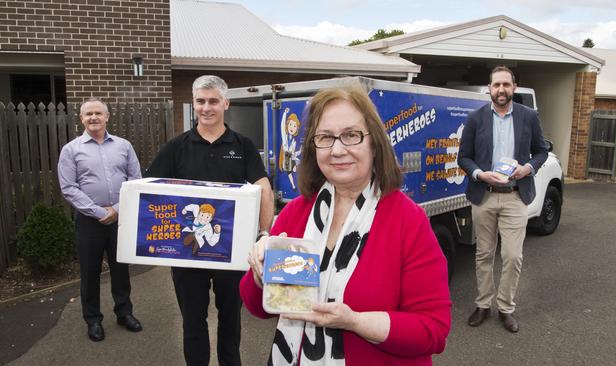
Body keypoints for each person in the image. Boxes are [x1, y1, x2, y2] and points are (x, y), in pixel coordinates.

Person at [240, 85, 451, 365]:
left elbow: (432, 330)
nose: (337, 150)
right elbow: (258, 307)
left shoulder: (407, 220)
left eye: (351, 135)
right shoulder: (297, 212)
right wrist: (260, 270)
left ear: (374, 143)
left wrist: (355, 322)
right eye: (326, 137)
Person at [145, 75, 274, 366]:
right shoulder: (176, 147)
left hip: (231, 253)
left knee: (231, 322)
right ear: (193, 104)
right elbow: (152, 189)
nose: (207, 107)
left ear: (225, 103)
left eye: (213, 101)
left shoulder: (242, 145)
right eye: (201, 101)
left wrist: (264, 233)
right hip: (188, 255)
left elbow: (264, 189)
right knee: (193, 323)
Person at [457, 66, 548, 333]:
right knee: (484, 253)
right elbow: (464, 157)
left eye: (506, 85)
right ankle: (483, 304)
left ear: (514, 87)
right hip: (484, 196)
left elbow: (541, 152)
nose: (501, 90)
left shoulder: (529, 117)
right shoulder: (475, 118)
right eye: (496, 85)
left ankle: (506, 308)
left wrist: (527, 168)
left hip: (514, 196)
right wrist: (479, 173)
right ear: (489, 88)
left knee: (512, 256)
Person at [57, 97, 143, 342]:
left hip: (120, 219)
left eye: (98, 113)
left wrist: (116, 210)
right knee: (90, 272)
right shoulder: (71, 150)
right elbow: (69, 187)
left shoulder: (124, 146)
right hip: (89, 221)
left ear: (107, 117)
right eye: (88, 114)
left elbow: (134, 180)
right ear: (81, 118)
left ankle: (124, 313)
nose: (93, 117)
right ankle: (93, 320)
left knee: (121, 269)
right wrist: (98, 212)